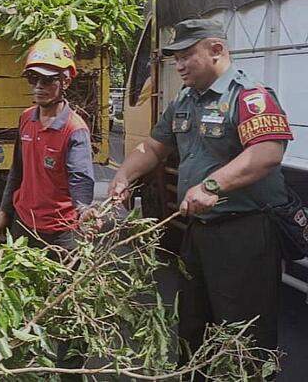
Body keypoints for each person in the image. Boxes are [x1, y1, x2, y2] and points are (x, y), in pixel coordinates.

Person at [108, 19, 291, 372]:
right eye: (175, 58)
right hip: (198, 233)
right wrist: (124, 176)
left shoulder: (249, 96)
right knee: (193, 328)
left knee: (244, 337)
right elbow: (154, 147)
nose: (178, 65)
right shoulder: (184, 100)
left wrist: (211, 186)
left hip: (244, 235)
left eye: (186, 56)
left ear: (216, 50)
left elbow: (267, 152)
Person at [0, 38, 98, 248]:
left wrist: (84, 210)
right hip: (23, 224)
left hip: (61, 231)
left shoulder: (74, 129)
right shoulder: (26, 118)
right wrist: (4, 212)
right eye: (33, 78)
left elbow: (80, 179)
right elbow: (17, 171)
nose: (39, 86)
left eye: (47, 80)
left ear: (65, 82)